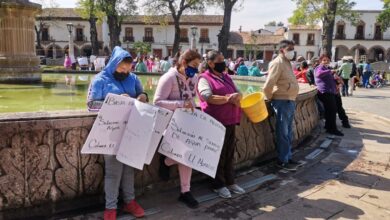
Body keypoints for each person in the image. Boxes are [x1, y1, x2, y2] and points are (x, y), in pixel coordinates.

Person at [87, 46, 147, 220]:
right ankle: (110, 208)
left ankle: (130, 201)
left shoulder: (134, 78)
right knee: (113, 172)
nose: (125, 72)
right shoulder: (100, 80)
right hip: (110, 132)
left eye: (128, 69)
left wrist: (143, 96)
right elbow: (91, 105)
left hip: (132, 130)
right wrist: (116, 101)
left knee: (129, 168)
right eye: (122, 68)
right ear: (114, 64)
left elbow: (142, 95)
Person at [153, 49, 201, 209]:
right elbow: (157, 102)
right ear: (183, 62)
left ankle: (167, 162)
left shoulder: (194, 77)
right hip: (170, 125)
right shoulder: (168, 78)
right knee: (186, 153)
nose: (196, 69)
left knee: (190, 153)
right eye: (194, 65)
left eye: (198, 66)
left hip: (187, 123)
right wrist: (180, 104)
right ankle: (185, 191)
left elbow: (192, 98)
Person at [197, 50, 245, 198]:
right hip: (215, 122)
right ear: (211, 63)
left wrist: (237, 96)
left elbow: (238, 92)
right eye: (219, 60)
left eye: (223, 60)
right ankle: (218, 185)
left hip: (230, 120)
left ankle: (230, 182)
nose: (223, 63)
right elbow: (207, 96)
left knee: (229, 153)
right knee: (217, 154)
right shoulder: (204, 78)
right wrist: (228, 99)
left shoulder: (226, 77)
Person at [263, 40, 300, 171]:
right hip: (282, 101)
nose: (292, 51)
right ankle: (282, 160)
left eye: (293, 48)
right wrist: (267, 98)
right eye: (289, 49)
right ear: (281, 50)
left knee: (288, 132)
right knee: (283, 132)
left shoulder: (287, 63)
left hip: (289, 100)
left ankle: (288, 157)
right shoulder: (277, 63)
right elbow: (269, 83)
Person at [314, 54, 344, 137]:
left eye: (327, 60)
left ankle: (328, 126)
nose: (326, 61)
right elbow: (318, 74)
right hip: (325, 92)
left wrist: (337, 81)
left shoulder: (326, 68)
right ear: (320, 61)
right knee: (332, 110)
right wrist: (330, 71)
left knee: (330, 111)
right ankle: (333, 129)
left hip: (330, 92)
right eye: (324, 60)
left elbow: (330, 79)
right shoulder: (319, 67)